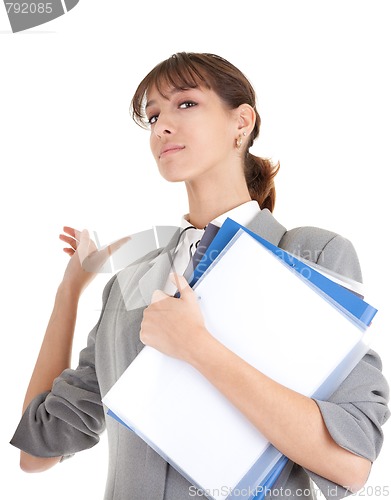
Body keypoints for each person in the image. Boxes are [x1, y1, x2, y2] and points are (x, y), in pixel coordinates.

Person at [11, 52, 390, 500]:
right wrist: (69, 292)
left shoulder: (307, 253)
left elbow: (350, 464)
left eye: (185, 104)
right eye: (152, 115)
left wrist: (197, 347)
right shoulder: (129, 285)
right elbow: (36, 452)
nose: (161, 126)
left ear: (241, 122)